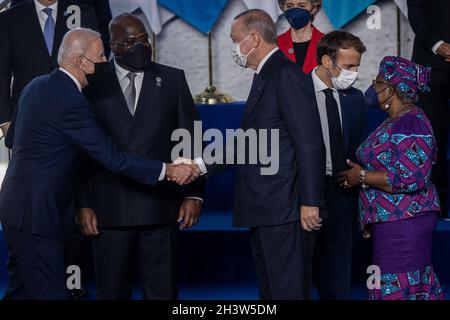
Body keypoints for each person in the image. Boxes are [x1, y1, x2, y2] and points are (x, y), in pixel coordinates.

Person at [0, 28, 199, 300]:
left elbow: (11, 140)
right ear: (82, 62)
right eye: (101, 56)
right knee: (51, 293)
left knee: (19, 290)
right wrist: (168, 170)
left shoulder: (35, 85)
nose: (106, 61)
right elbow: (111, 158)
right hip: (37, 213)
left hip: (14, 206)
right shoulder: (71, 100)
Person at [178, 9, 325, 300]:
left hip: (285, 208)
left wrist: (310, 202)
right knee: (270, 290)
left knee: (288, 290)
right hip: (266, 208)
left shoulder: (285, 74)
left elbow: (309, 143)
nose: (234, 47)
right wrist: (198, 164)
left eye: (235, 40)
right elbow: (250, 141)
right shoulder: (265, 74)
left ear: (253, 39)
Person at [76, 14, 205, 300]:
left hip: (160, 206)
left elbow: (190, 138)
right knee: (112, 292)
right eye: (131, 42)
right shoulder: (91, 83)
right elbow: (81, 152)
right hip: (109, 210)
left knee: (163, 293)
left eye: (144, 39)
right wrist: (82, 204)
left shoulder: (172, 78)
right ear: (113, 45)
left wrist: (194, 194)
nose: (141, 46)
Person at [338, 56, 444, 300]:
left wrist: (361, 176)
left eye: (378, 82)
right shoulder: (395, 120)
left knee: (395, 287)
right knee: (388, 285)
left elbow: (413, 178)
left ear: (394, 88)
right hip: (392, 220)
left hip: (407, 221)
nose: (373, 87)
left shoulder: (412, 123)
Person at [308, 31, 367, 299]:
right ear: (327, 61)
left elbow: (361, 146)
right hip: (306, 193)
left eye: (357, 66)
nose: (353, 73)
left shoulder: (355, 98)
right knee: (299, 274)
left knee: (338, 276)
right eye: (348, 66)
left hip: (343, 193)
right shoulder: (296, 91)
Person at [0, 0, 99, 137]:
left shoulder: (84, 14)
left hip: (76, 118)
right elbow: (1, 72)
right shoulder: (9, 18)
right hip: (27, 118)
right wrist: (5, 121)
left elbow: (96, 65)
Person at [408, 0, 450, 217]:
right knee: (432, 140)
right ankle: (435, 206)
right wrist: (438, 45)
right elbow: (416, 12)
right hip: (433, 65)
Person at [277, 0, 324, 74]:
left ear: (314, 8)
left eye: (302, 6)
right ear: (283, 8)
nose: (295, 10)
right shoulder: (275, 45)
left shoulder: (327, 43)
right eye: (289, 6)